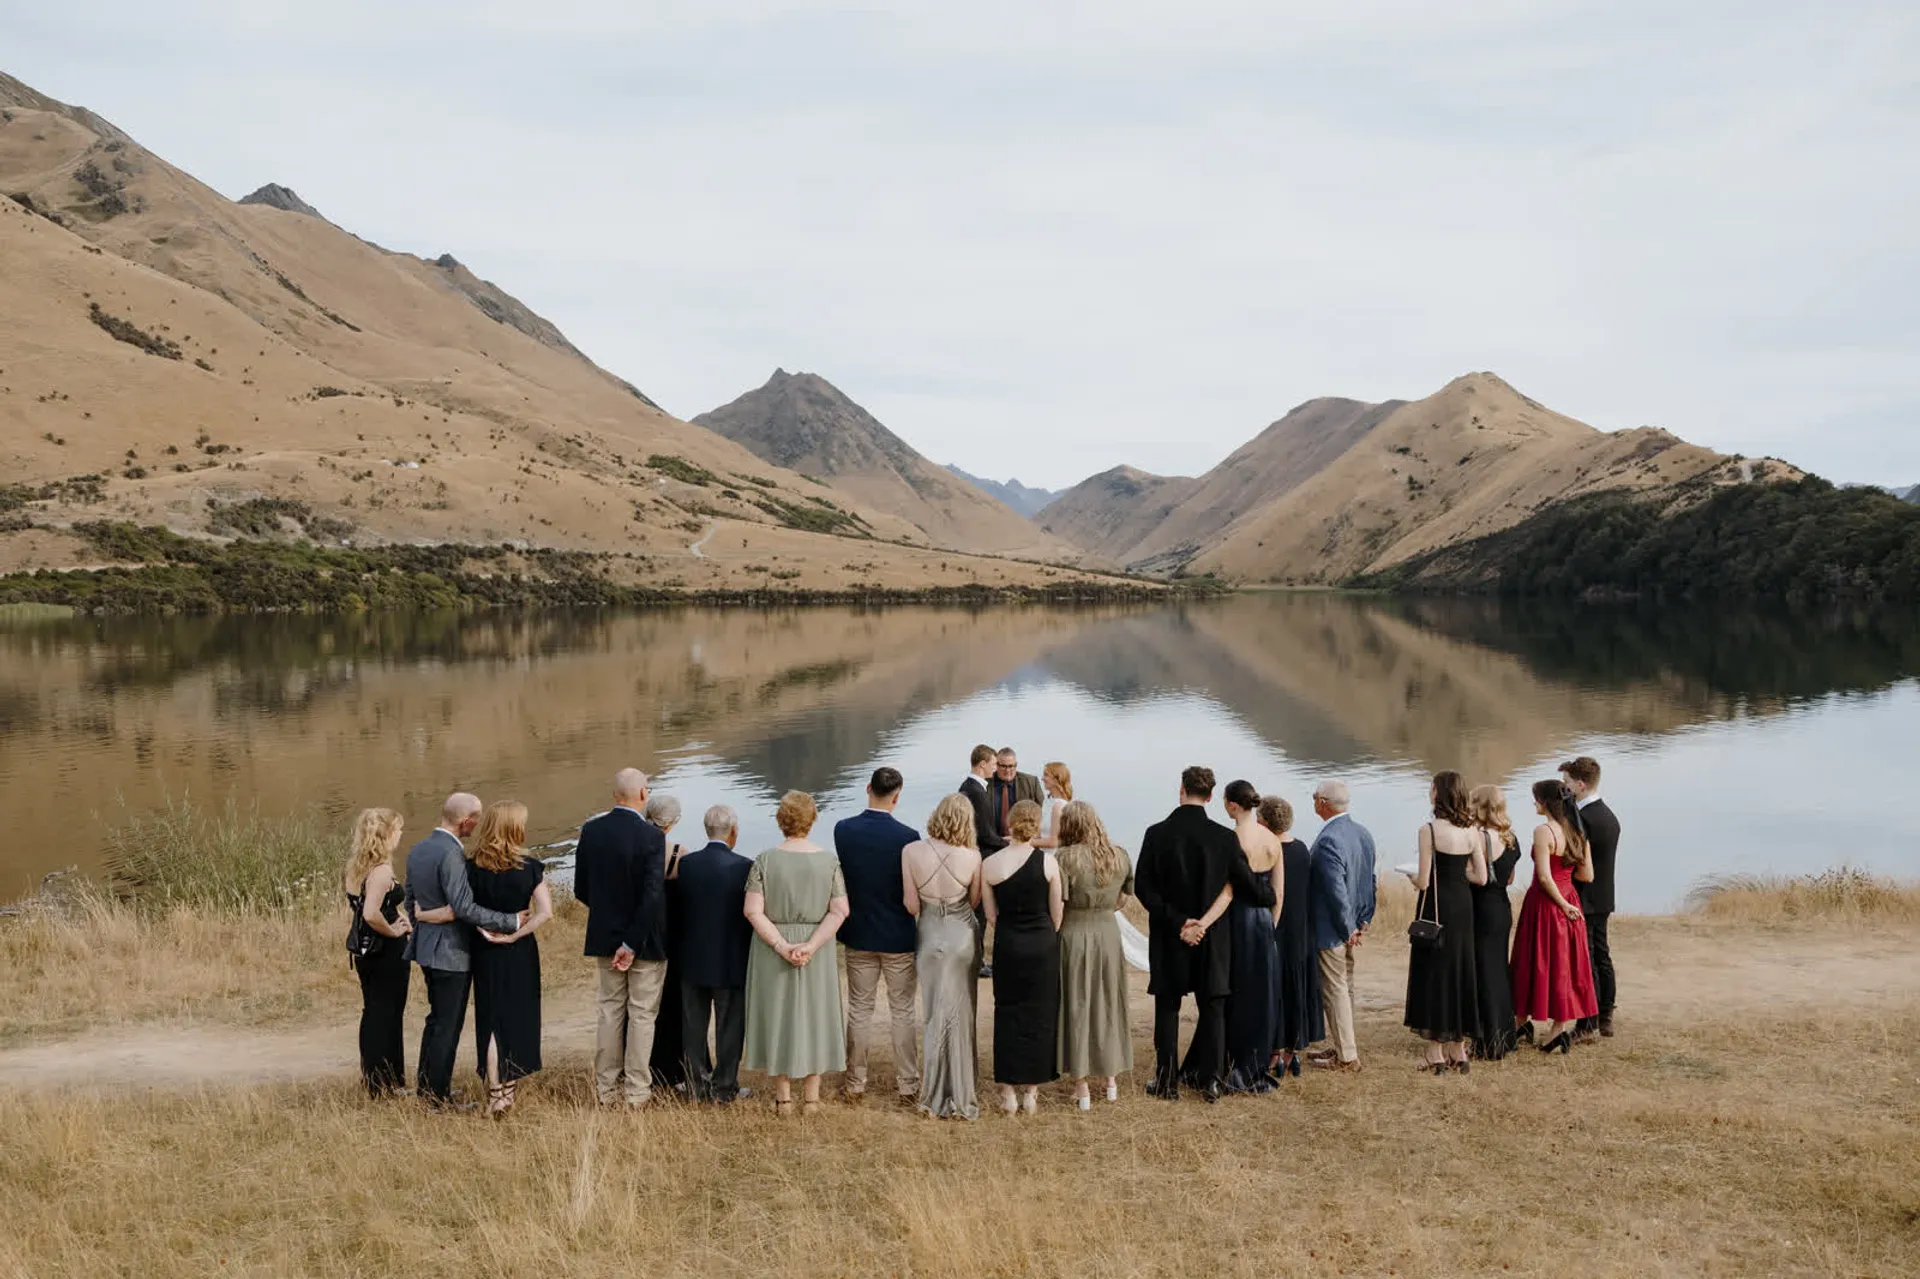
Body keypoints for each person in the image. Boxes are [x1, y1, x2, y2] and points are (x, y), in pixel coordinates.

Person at [405, 792, 523, 1111]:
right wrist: (509, 920)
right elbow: (464, 907)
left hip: (426, 948)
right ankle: (438, 1099)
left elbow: (410, 902)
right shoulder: (452, 855)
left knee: (436, 1021)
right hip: (452, 953)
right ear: (465, 820)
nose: (480, 822)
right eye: (478, 816)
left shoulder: (419, 849)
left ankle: (427, 1088)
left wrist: (426, 922)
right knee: (448, 1024)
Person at [1133, 765, 1239, 1102]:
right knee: (1213, 1008)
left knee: (1168, 1008)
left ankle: (1167, 1083)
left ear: (1181, 789)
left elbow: (1142, 888)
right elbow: (1236, 884)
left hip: (1169, 935)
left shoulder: (1155, 833)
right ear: (1210, 796)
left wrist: (1179, 922)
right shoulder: (1225, 837)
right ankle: (1212, 1082)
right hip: (1211, 934)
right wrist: (1200, 924)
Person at [743, 791, 851, 1115]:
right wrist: (811, 945)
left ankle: (783, 1099)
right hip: (815, 946)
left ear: (780, 820)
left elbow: (752, 910)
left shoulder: (764, 859)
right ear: (812, 819)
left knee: (777, 1015)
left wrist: (781, 945)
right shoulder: (829, 861)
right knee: (815, 1015)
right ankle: (813, 1099)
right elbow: (840, 910)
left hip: (773, 945)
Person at [574, 768, 669, 1108]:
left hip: (605, 935)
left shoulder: (591, 830)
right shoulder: (652, 837)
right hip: (645, 941)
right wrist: (631, 942)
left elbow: (580, 888)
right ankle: (636, 1092)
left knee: (610, 1011)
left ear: (615, 795)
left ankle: (606, 1090)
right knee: (642, 1014)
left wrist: (611, 923)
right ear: (643, 795)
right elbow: (652, 895)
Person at [833, 767, 922, 1105]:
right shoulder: (908, 837)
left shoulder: (844, 831)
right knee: (902, 1010)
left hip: (859, 932)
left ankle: (855, 1082)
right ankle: (908, 1085)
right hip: (898, 933)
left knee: (859, 1008)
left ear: (867, 788)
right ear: (896, 798)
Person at [467, 800, 553, 1116]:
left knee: (490, 1020)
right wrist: (515, 933)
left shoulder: (470, 866)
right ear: (515, 828)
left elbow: (465, 911)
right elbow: (545, 912)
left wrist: (486, 929)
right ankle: (509, 1090)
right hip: (519, 951)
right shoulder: (529, 867)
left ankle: (495, 1093)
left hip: (484, 950)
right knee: (517, 1017)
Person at [903, 793, 984, 1120]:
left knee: (935, 1013)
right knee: (962, 1011)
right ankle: (964, 1089)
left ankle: (933, 1094)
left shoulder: (911, 851)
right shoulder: (973, 856)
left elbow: (911, 904)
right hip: (962, 934)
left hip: (929, 932)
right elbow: (974, 900)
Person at [1401, 772, 1488, 1074]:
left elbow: (1424, 879)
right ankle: (1459, 1050)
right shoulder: (1472, 831)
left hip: (1436, 906)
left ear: (1439, 793)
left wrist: (1413, 878)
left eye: (1432, 787)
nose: (1430, 791)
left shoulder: (1429, 830)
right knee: (1462, 970)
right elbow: (1481, 877)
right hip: (1463, 906)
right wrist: (1456, 874)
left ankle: (1435, 1053)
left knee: (1435, 973)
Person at [981, 799, 1062, 1114]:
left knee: (1008, 1012)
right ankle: (1032, 1091)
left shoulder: (990, 864)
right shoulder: (1048, 863)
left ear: (1010, 825)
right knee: (1040, 1014)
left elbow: (991, 915)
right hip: (1042, 944)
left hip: (1009, 942)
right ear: (1035, 827)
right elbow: (1057, 914)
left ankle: (1008, 1093)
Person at [1053, 799, 1133, 1110]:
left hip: (1074, 933)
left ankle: (1082, 1086)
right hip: (1108, 933)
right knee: (1109, 1001)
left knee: (1077, 1003)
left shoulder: (1063, 858)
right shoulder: (1120, 855)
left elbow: (1058, 902)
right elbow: (1124, 898)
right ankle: (1111, 1081)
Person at [1511, 780, 1599, 1053]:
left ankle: (1520, 1022)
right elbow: (1587, 875)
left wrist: (1560, 903)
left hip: (1546, 905)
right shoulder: (1577, 831)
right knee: (1565, 964)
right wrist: (1568, 897)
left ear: (1546, 802)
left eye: (1535, 798)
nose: (1534, 803)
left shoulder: (1543, 831)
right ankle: (1557, 1031)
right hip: (1570, 900)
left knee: (1532, 960)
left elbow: (1544, 877)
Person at [674, 805, 754, 1103]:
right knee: (730, 1027)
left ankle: (696, 1085)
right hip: (730, 958)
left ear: (706, 830)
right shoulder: (744, 866)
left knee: (693, 1027)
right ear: (733, 831)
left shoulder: (688, 865)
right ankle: (724, 1087)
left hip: (692, 958)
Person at [1303, 781, 1376, 1074]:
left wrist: (1347, 928)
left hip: (1331, 928)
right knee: (1345, 986)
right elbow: (1369, 880)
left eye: (1313, 797)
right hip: (1350, 924)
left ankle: (1347, 1056)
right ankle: (1343, 1045)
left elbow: (1336, 891)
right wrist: (1364, 919)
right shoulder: (1362, 833)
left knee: (1334, 988)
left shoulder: (1328, 839)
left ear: (1322, 802)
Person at [343, 807, 412, 1098]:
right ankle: (388, 1082)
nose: (400, 834)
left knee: (373, 1012)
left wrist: (393, 917)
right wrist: (395, 929)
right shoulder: (382, 872)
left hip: (363, 952)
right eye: (397, 830)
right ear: (386, 835)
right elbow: (371, 913)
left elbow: (363, 909)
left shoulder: (354, 866)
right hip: (385, 952)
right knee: (388, 1013)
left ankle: (375, 1080)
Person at [1222, 780, 1283, 1093]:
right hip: (1263, 922)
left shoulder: (1232, 838)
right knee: (1261, 991)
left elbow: (1227, 891)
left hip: (1237, 918)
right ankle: (1257, 1060)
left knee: (1237, 988)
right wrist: (1270, 925)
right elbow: (1278, 891)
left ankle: (1234, 1060)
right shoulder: (1272, 838)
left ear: (1232, 805)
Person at [1258, 796, 1321, 1078]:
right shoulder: (1302, 850)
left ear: (1266, 822)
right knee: (1297, 986)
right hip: (1302, 929)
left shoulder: (1267, 851)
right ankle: (1293, 1052)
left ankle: (1274, 1052)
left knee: (1275, 988)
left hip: (1277, 926)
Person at [1561, 756, 1621, 1041]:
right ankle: (1605, 1014)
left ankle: (1588, 1021)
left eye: (1568, 784)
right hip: (1604, 894)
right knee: (1601, 955)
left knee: (1586, 959)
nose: (1565, 789)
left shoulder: (1582, 818)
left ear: (1580, 785)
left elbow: (1572, 859)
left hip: (1584, 895)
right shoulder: (1607, 814)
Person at [1467, 784, 1524, 1059]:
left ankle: (1486, 1040)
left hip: (1480, 908)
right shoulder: (1510, 837)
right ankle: (1505, 1035)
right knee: (1499, 971)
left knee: (1481, 972)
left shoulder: (1475, 837)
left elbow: (1474, 875)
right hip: (1502, 907)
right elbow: (1510, 879)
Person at [644, 792, 688, 1094]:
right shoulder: (678, 854)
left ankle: (644, 1066)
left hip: (644, 934)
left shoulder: (637, 850)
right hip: (672, 936)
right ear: (673, 823)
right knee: (674, 1003)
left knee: (642, 1005)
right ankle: (675, 1070)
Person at [986, 747, 1045, 845]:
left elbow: (1042, 813)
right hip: (992, 844)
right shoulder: (986, 784)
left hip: (1023, 843)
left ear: (1016, 765)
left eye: (1011, 766)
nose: (1008, 770)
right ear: (996, 765)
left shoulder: (1031, 782)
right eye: (1003, 766)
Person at [960, 744, 1006, 857]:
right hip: (983, 854)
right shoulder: (977, 792)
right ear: (983, 764)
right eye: (994, 764)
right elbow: (985, 835)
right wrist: (1009, 844)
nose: (996, 768)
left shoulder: (966, 785)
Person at [1032, 762, 1072, 849]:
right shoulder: (1047, 802)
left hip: (1054, 858)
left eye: (1046, 775)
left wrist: (1025, 844)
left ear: (1057, 779)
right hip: (1042, 855)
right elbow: (1040, 834)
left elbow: (1054, 842)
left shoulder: (1059, 806)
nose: (1042, 778)